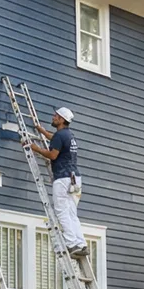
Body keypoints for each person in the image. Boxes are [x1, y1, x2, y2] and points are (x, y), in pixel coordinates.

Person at [28, 106, 87, 256]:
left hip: (63, 178)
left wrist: (36, 148)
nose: (53, 117)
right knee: (72, 213)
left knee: (61, 211)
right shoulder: (68, 135)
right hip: (75, 179)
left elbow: (53, 155)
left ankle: (71, 244)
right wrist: (41, 131)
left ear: (62, 120)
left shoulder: (60, 136)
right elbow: (54, 139)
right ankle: (81, 243)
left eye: (56, 116)